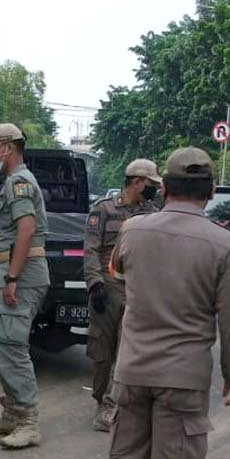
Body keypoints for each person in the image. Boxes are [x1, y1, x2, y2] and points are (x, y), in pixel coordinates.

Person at [100, 147, 230, 459]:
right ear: (212, 192)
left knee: (127, 455)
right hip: (182, 375)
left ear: (164, 188)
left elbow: (116, 271)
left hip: (131, 367)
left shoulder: (133, 229)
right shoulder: (224, 245)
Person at [0, 123, 50, 450]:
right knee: (2, 346)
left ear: (8, 147)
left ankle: (28, 420)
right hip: (16, 269)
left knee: (12, 347)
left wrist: (13, 277)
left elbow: (26, 230)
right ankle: (11, 413)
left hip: (23, 273)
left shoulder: (19, 182)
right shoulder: (15, 180)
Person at [84, 159, 161, 432]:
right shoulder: (103, 210)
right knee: (102, 349)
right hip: (107, 287)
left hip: (136, 289)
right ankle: (100, 398)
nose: (155, 190)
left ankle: (111, 405)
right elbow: (91, 250)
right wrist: (94, 285)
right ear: (137, 182)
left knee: (126, 350)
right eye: (151, 185)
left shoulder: (153, 214)